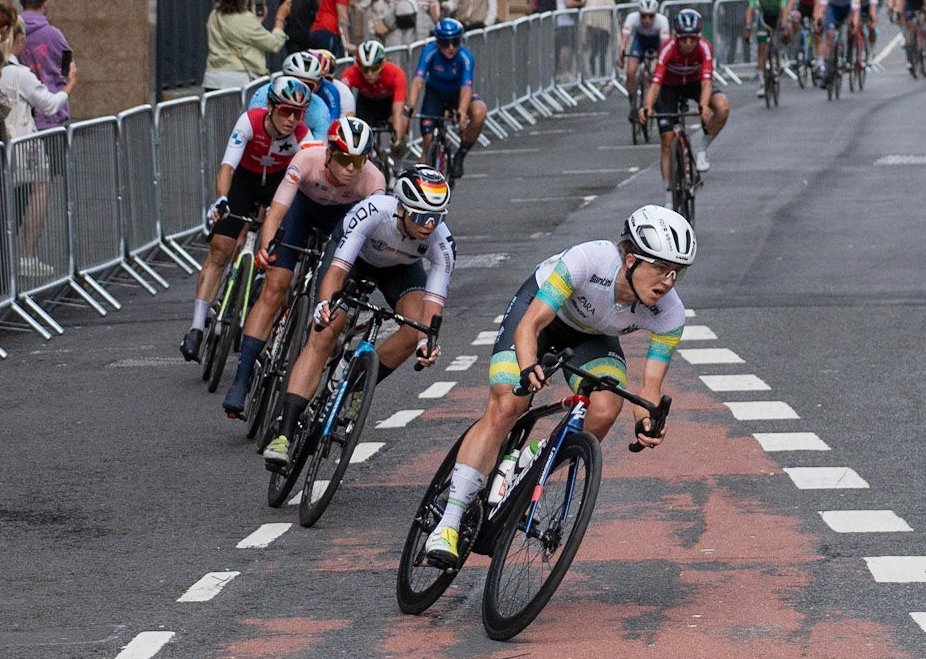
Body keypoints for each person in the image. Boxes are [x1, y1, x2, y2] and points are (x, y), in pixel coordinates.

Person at [421, 205, 692, 568]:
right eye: (660, 268)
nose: (668, 281)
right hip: (541, 317)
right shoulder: (588, 260)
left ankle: (536, 458)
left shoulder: (670, 314)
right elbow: (530, 325)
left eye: (677, 273)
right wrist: (530, 364)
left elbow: (650, 387)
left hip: (592, 338)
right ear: (630, 259)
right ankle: (449, 523)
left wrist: (646, 422)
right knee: (506, 406)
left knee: (606, 407)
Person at [264, 166, 455, 470]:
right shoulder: (374, 212)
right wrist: (325, 305)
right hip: (356, 258)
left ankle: (357, 384)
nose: (429, 226)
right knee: (326, 330)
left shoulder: (441, 243)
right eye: (420, 217)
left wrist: (425, 343)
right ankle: (284, 433)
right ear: (402, 208)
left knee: (413, 328)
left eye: (437, 217)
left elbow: (433, 304)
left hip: (398, 269)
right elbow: (337, 270)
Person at [224, 116, 386, 419]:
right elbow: (276, 213)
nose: (351, 168)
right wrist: (266, 247)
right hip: (301, 211)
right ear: (328, 153)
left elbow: (370, 232)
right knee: (274, 288)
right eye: (343, 158)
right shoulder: (306, 159)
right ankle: (241, 380)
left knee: (329, 294)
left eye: (358, 160)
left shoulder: (373, 181)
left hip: (341, 221)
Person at [183, 75, 315, 363]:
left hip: (277, 187)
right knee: (220, 249)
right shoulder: (250, 121)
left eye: (299, 113)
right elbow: (227, 167)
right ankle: (195, 327)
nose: (292, 119)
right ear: (270, 107)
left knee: (276, 249)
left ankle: (256, 291)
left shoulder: (303, 135)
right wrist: (221, 199)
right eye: (285, 111)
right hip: (244, 183)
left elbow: (311, 172)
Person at [0, 12, 74, 278]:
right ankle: (26, 255)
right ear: (18, 40)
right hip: (24, 139)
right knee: (38, 190)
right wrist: (69, 85)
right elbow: (50, 104)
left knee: (3, 201)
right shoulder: (20, 74)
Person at [640, 8, 729, 177]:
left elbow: (706, 81)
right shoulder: (667, 48)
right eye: (683, 38)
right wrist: (647, 106)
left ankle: (702, 149)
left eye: (693, 38)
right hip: (669, 86)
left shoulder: (704, 47)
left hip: (694, 83)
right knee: (666, 141)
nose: (688, 43)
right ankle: (668, 197)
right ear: (676, 37)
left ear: (699, 36)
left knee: (722, 106)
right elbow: (656, 82)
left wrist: (703, 105)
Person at [405, 17, 489, 180]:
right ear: (437, 42)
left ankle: (460, 155)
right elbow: (418, 80)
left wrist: (462, 112)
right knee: (428, 141)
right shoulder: (429, 52)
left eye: (455, 42)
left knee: (480, 112)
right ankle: (421, 183)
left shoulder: (465, 57)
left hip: (458, 95)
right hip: (435, 94)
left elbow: (466, 87)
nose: (451, 48)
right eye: (445, 43)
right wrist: (412, 105)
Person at [205, 0, 291, 90]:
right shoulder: (246, 19)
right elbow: (273, 44)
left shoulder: (214, 15)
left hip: (212, 80)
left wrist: (256, 22)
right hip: (238, 82)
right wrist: (280, 18)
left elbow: (237, 34)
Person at [17, 0, 72, 131]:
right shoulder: (54, 35)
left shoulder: (12, 33)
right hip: (51, 113)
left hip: (20, 115)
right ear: (46, 2)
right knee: (55, 155)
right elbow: (68, 68)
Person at [341, 39, 409, 159]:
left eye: (375, 68)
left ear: (382, 63)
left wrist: (397, 139)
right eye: (365, 69)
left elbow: (397, 111)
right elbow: (341, 100)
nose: (370, 74)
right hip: (366, 104)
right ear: (358, 66)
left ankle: (398, 166)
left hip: (388, 104)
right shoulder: (350, 74)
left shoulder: (396, 73)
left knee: (399, 127)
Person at [247, 49, 334, 138]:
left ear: (317, 86)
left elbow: (319, 147)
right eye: (293, 83)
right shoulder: (263, 95)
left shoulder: (320, 109)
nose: (299, 91)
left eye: (308, 86)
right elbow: (252, 131)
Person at [621, 0, 668, 112]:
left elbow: (665, 47)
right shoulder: (632, 17)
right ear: (639, 14)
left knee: (660, 70)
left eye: (651, 16)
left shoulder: (662, 20)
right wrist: (621, 57)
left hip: (656, 41)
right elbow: (624, 41)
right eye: (643, 16)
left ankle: (656, 97)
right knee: (630, 72)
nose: (647, 20)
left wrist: (660, 63)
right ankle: (632, 102)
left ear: (656, 14)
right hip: (640, 41)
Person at [745, 0, 789, 92]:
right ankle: (762, 83)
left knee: (784, 34)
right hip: (764, 19)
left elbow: (784, 10)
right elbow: (750, 9)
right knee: (761, 48)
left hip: (777, 19)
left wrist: (784, 26)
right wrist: (748, 26)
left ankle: (780, 57)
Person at [815, 0, 860, 81]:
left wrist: (854, 25)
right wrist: (819, 20)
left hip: (847, 9)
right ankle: (826, 65)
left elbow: (855, 11)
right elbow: (822, 8)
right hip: (833, 9)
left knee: (851, 29)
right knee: (829, 35)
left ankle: (848, 55)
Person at [582, 0, 617, 76]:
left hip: (592, 25)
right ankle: (602, 74)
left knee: (595, 49)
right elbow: (613, 8)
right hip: (603, 26)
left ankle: (593, 71)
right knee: (602, 51)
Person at [556, 0, 584, 77]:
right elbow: (568, 3)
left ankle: (569, 71)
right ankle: (564, 71)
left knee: (570, 46)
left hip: (569, 21)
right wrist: (581, 1)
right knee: (566, 46)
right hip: (565, 20)